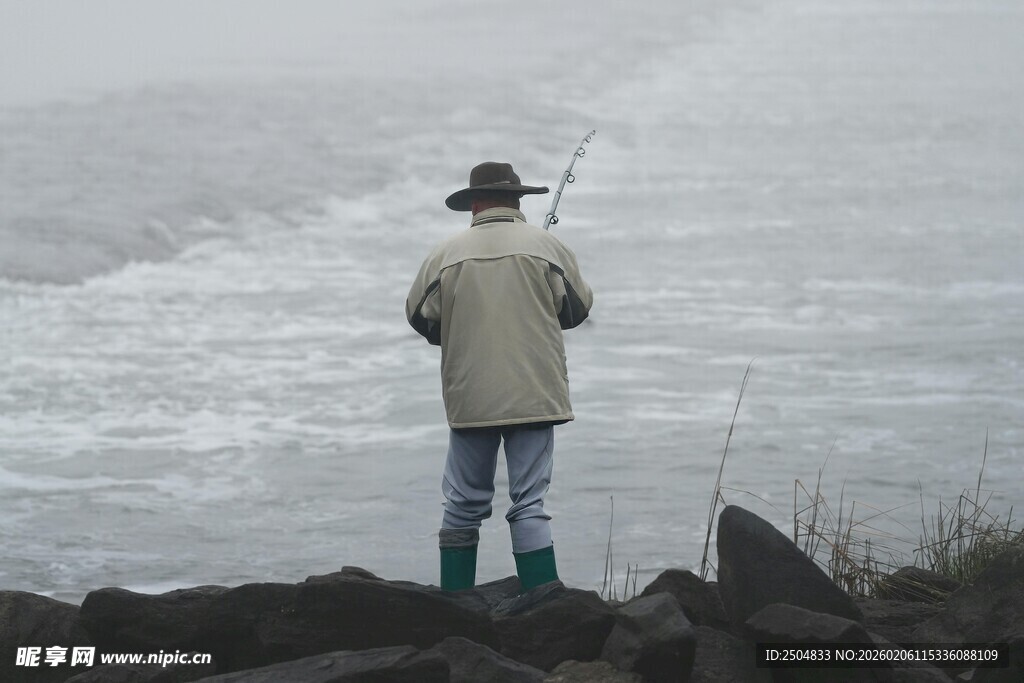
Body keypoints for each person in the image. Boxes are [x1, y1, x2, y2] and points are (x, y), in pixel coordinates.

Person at [406, 161, 593, 593]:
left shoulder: (443, 254)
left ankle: (455, 607)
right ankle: (544, 606)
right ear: (517, 200)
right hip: (534, 392)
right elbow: (577, 310)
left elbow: (421, 318)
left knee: (463, 504)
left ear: (474, 204)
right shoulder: (548, 246)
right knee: (529, 504)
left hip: (471, 397)